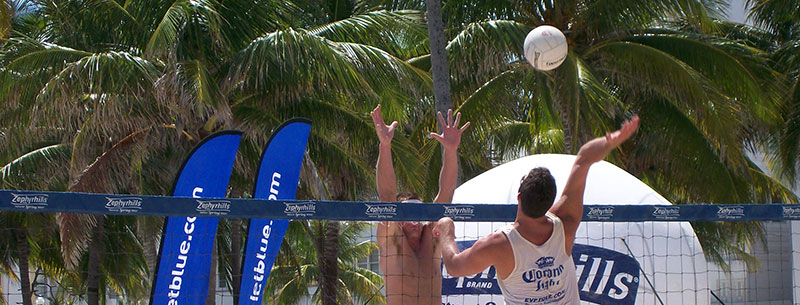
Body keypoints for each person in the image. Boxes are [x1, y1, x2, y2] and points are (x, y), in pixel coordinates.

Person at [433, 116, 640, 305]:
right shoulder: (566, 223)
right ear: (551, 202)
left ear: (519, 196)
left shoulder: (499, 244)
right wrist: (611, 140)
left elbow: (454, 266)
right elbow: (585, 158)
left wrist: (446, 231)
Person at [371, 104, 470, 305]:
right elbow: (387, 196)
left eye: (418, 214)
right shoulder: (393, 240)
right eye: (408, 214)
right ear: (398, 219)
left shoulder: (431, 238)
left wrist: (450, 150)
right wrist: (385, 145)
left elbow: (446, 192)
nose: (415, 221)